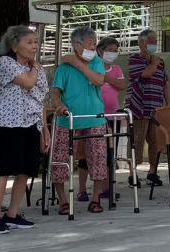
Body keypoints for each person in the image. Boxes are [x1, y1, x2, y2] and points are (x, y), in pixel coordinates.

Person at [0, 26, 49, 234]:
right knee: (5, 169)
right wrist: (36, 67)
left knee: (26, 170)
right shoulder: (6, 63)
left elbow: (40, 100)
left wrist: (44, 130)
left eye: (35, 42)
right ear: (15, 46)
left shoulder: (37, 68)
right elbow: (28, 83)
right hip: (9, 123)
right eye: (29, 42)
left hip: (31, 124)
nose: (34, 46)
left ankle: (12, 214)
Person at [50, 27, 109, 215]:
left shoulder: (96, 62)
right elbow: (55, 92)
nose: (94, 47)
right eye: (90, 44)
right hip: (68, 120)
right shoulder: (63, 68)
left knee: (98, 160)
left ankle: (95, 198)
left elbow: (99, 81)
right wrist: (59, 105)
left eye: (95, 43)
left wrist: (78, 64)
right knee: (60, 160)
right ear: (77, 46)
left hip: (94, 118)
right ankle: (63, 200)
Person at [77, 37, 124, 202]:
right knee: (86, 154)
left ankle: (106, 188)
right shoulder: (91, 66)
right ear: (100, 50)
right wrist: (102, 77)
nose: (113, 53)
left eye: (115, 50)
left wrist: (106, 78)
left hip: (112, 117)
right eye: (110, 50)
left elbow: (122, 85)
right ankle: (82, 189)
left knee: (109, 154)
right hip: (93, 117)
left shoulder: (116, 69)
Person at [126, 29, 167, 188]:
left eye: (156, 41)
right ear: (142, 43)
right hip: (139, 107)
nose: (154, 44)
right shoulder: (134, 59)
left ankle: (152, 172)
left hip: (155, 107)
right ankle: (132, 174)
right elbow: (146, 73)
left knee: (156, 141)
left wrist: (167, 104)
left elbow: (164, 83)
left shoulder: (160, 62)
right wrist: (154, 63)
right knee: (137, 140)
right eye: (151, 41)